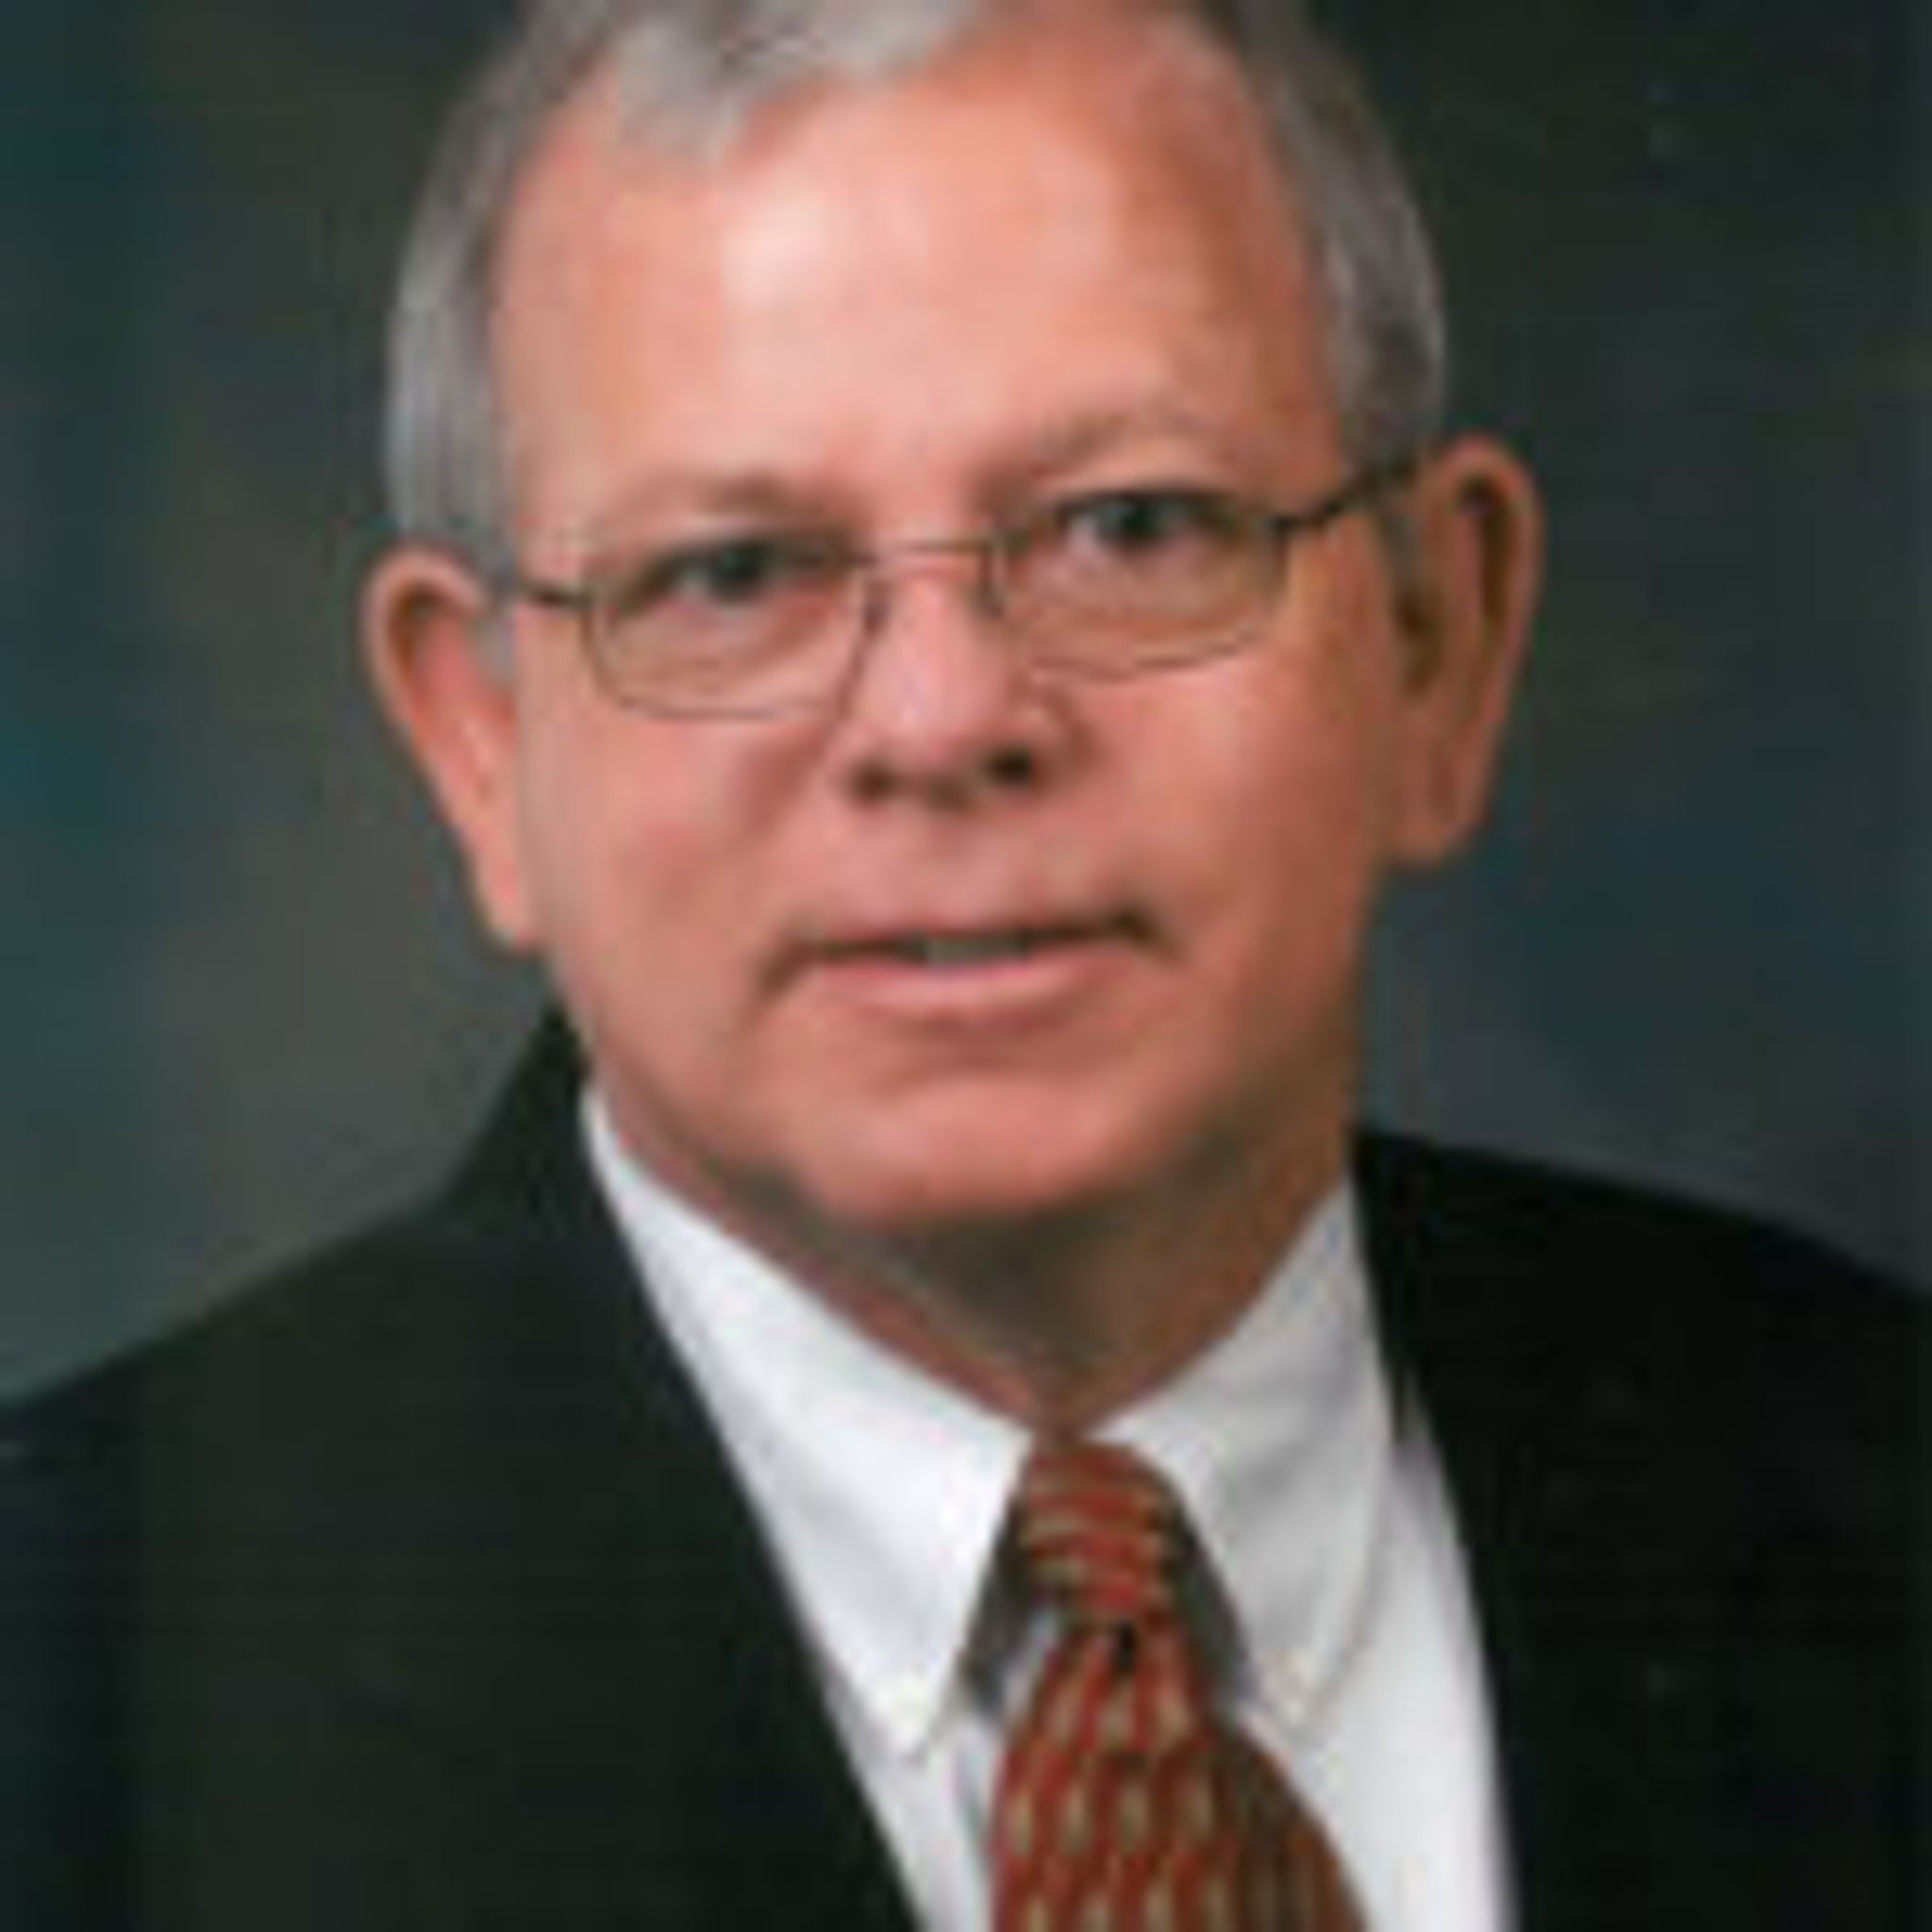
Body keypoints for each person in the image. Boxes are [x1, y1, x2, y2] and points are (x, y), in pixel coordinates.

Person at [2, 0, 1918, 1925]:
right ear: (480, 745)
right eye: (732, 573)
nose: (941, 721)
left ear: (1436, 640)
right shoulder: (73, 1703)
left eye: (1130, 529)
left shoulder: (1865, 1464)